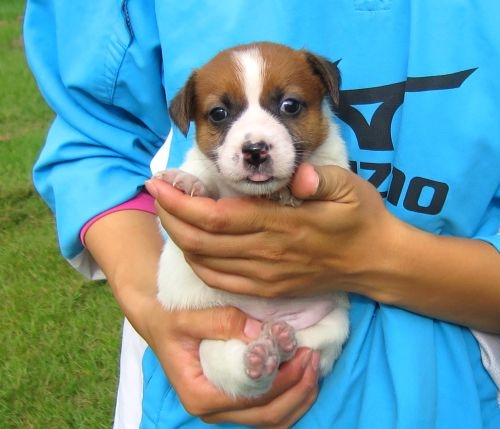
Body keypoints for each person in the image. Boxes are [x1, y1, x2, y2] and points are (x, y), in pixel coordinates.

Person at [24, 1, 500, 428]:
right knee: (230, 357)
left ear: (325, 95)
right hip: (204, 381)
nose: (254, 141)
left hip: (453, 387)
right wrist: (152, 310)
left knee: (325, 330)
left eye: (288, 106)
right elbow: (96, 138)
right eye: (219, 115)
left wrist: (375, 256)